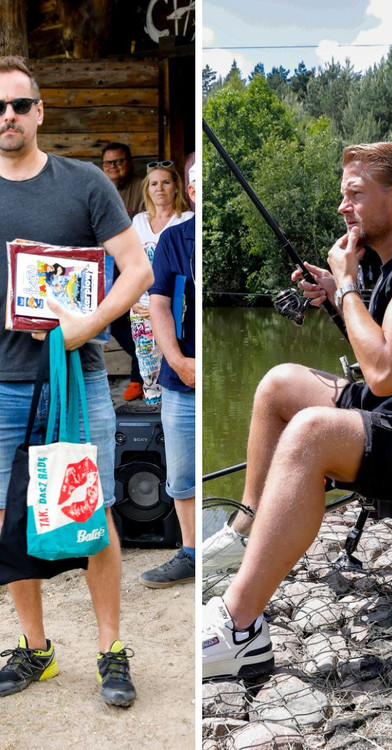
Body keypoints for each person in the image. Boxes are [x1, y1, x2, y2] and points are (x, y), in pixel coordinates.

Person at [200, 141, 392, 680]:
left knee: (312, 430)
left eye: (355, 195)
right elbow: (386, 359)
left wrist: (346, 286)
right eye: (343, 195)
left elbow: (385, 371)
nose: (343, 207)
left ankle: (240, 628)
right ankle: (249, 530)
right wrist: (337, 294)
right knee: (280, 386)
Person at [0, 55, 153, 706]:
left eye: (17, 105)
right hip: (2, 385)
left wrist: (86, 328)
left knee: (92, 515)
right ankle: (37, 651)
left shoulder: (84, 182)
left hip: (76, 379)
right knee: (8, 521)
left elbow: (137, 272)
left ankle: (111, 651)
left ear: (40, 111)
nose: (6, 117)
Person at [139, 163, 197, 588]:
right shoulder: (174, 238)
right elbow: (158, 303)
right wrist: (176, 361)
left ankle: (234, 546)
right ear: (189, 190)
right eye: (196, 180)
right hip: (182, 379)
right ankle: (191, 553)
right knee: (180, 474)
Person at [129, 161, 193, 406]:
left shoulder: (187, 220)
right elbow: (131, 265)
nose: (160, 188)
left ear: (177, 188)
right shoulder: (139, 222)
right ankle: (155, 415)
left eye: (166, 182)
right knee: (148, 368)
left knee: (173, 361)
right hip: (141, 306)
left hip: (176, 309)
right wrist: (133, 300)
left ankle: (174, 413)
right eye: (154, 183)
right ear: (147, 189)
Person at [101, 142, 144, 400]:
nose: (114, 167)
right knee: (116, 320)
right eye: (109, 163)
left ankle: (138, 377)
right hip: (107, 266)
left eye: (118, 161)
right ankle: (141, 368)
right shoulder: (100, 188)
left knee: (139, 318)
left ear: (129, 161)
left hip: (136, 264)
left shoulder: (142, 186)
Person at [100, 141, 143, 218]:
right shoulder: (95, 189)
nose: (112, 166)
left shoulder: (143, 188)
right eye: (107, 163)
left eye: (119, 161)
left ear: (130, 163)